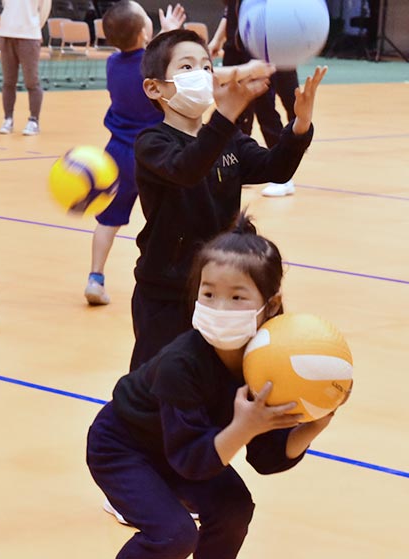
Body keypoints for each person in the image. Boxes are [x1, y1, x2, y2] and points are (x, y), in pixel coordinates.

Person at [87, 213, 346, 559]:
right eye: (208, 293)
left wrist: (315, 424)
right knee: (173, 535)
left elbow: (267, 457)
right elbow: (191, 462)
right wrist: (243, 426)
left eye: (237, 297)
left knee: (234, 508)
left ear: (271, 305)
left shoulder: (271, 361)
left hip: (185, 449)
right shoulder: (180, 364)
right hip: (123, 448)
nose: (219, 307)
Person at [128, 29, 325, 371]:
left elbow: (274, 168)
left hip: (221, 287)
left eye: (206, 66)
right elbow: (186, 169)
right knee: (156, 379)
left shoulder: (228, 137)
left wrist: (300, 126)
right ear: (154, 87)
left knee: (215, 377)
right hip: (166, 291)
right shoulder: (152, 143)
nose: (202, 75)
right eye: (187, 67)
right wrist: (224, 116)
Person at [83, 1, 185, 305]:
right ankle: (170, 275)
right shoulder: (156, 66)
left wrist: (160, 39)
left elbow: (141, 56)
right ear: (144, 33)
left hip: (116, 153)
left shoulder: (112, 63)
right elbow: (171, 73)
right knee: (168, 219)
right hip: (156, 152)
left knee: (107, 221)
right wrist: (170, 36)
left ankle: (95, 277)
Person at [207, 0, 299, 197]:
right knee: (234, 109)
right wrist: (218, 40)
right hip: (235, 49)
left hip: (262, 50)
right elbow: (229, 11)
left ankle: (283, 177)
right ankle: (235, 163)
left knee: (265, 107)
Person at [0, 0, 51, 136]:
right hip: (6, 33)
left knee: (31, 81)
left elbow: (44, 9)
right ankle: (7, 119)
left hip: (29, 35)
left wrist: (34, 27)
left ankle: (34, 120)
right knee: (8, 81)